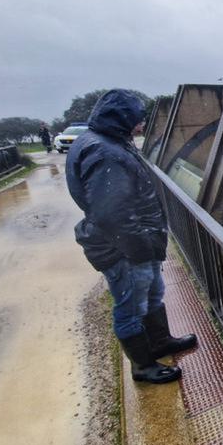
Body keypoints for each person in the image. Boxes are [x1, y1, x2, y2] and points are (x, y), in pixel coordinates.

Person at [65, 89, 197, 384]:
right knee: (130, 308)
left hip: (139, 244)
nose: (142, 124)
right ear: (122, 118)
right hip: (126, 249)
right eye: (138, 119)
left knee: (151, 296)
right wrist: (142, 247)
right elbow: (112, 214)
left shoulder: (108, 143)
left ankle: (160, 342)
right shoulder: (104, 152)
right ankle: (143, 367)